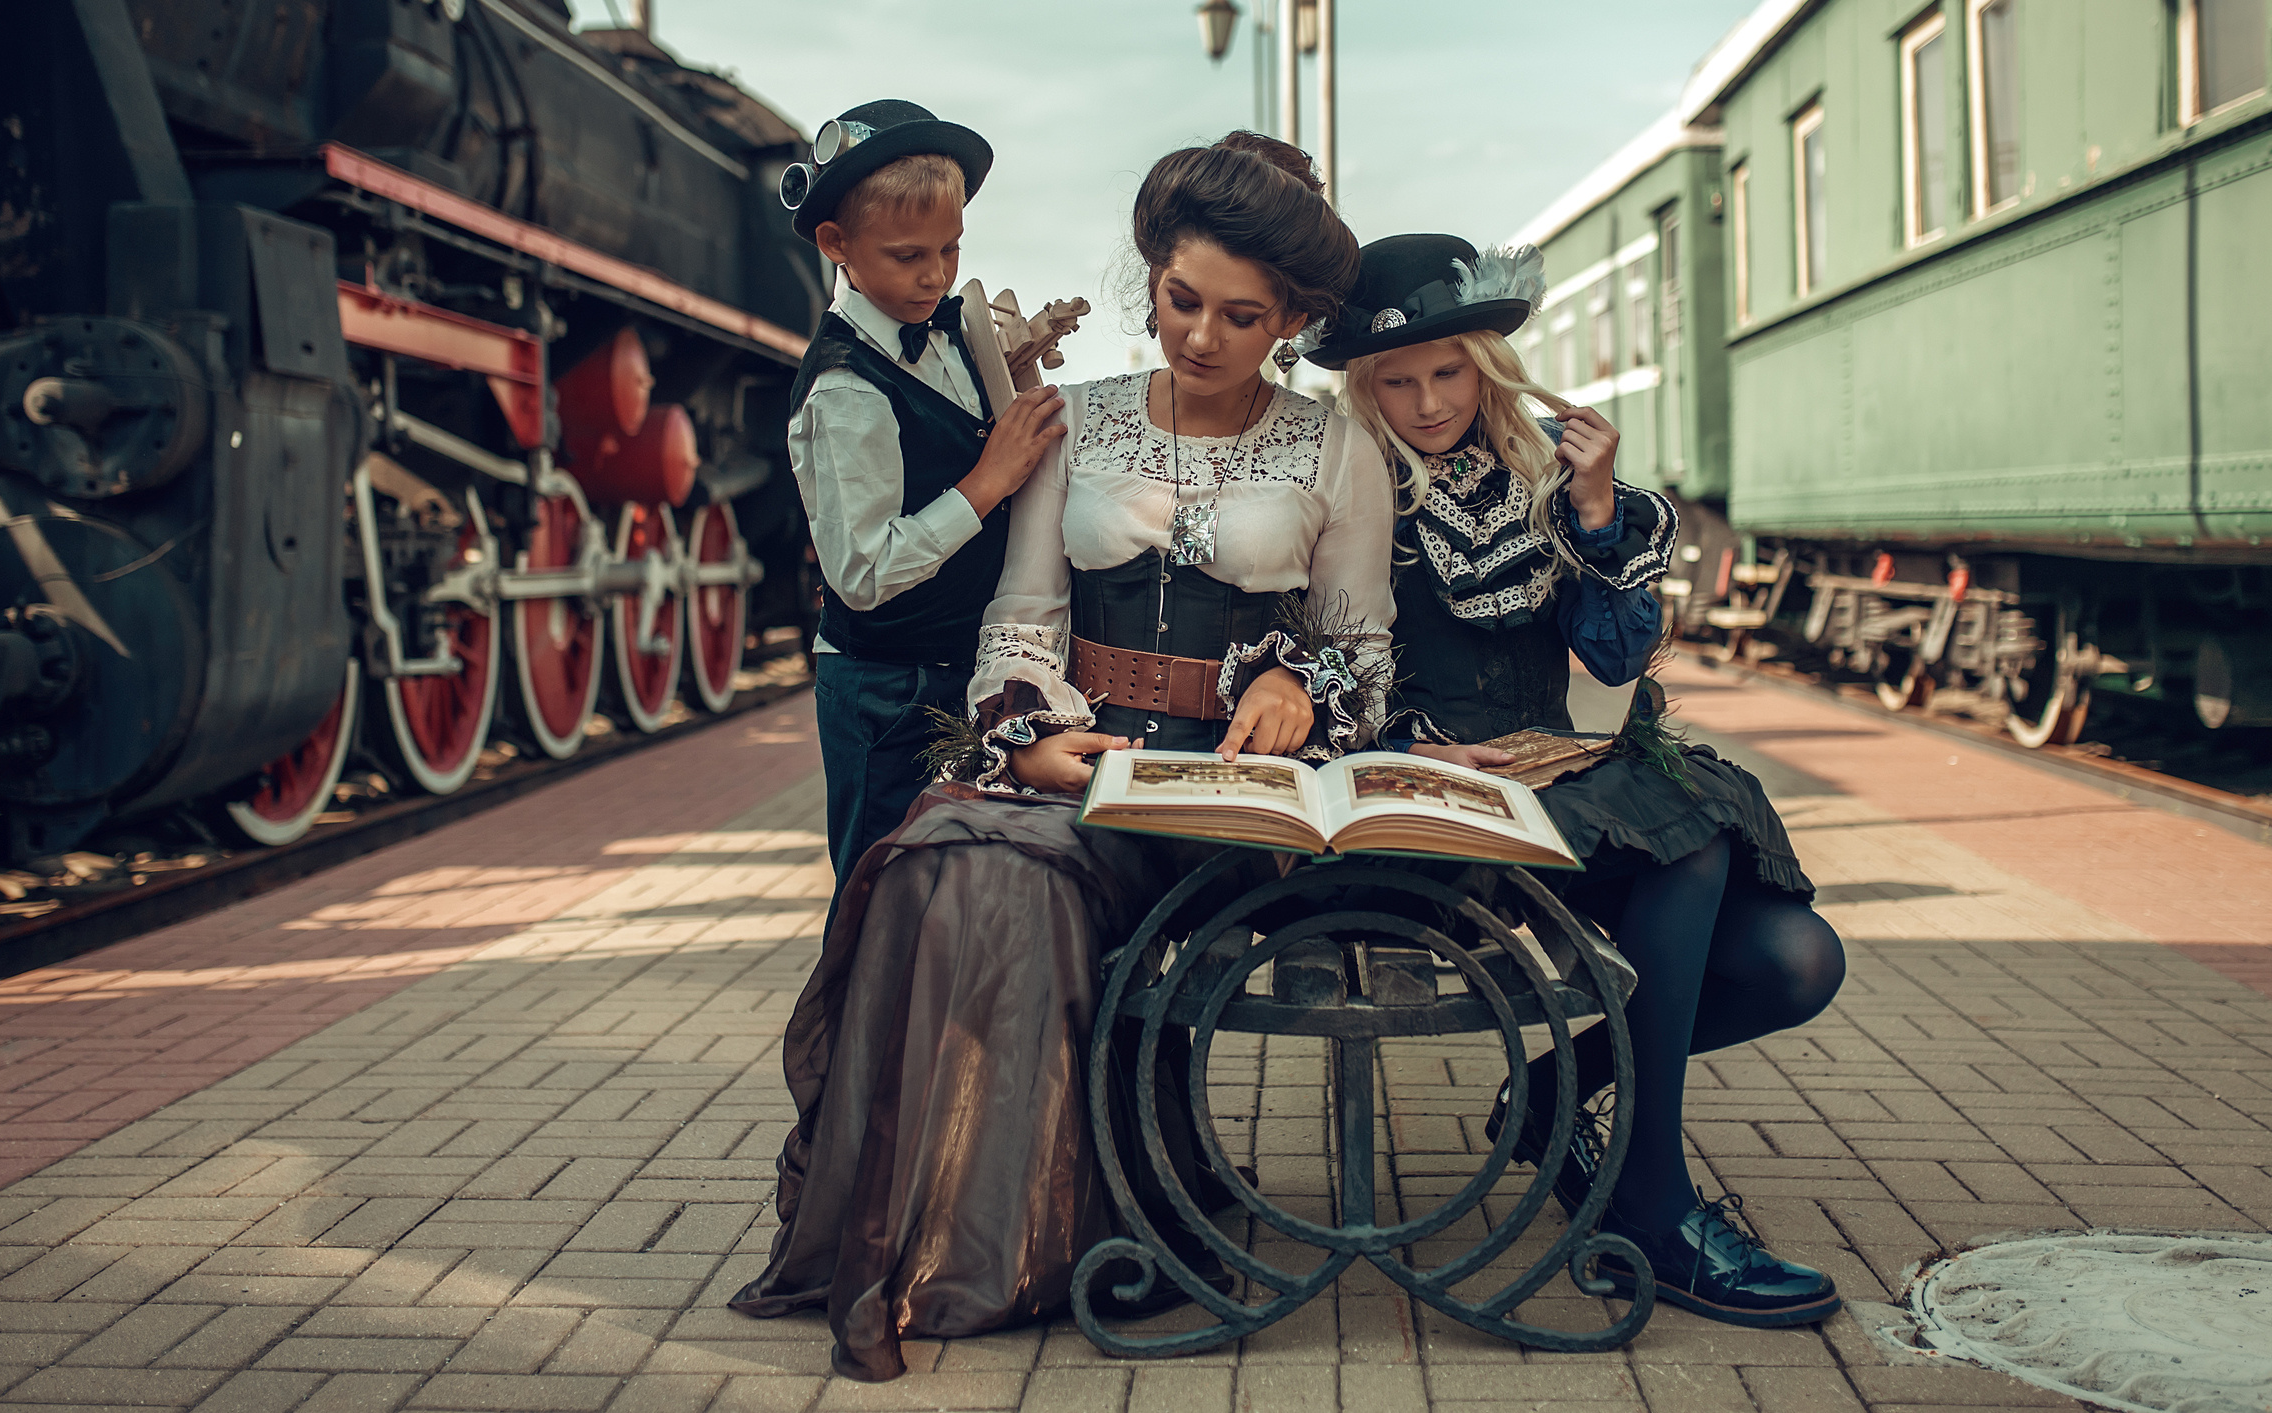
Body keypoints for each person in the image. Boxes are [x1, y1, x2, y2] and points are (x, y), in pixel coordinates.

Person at [735, 133, 1392, 1380]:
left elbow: (1360, 646)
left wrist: (1292, 686)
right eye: (1178, 297)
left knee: (1011, 877)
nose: (1197, 334)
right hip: (1076, 763)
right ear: (1151, 276)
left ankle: (1094, 1220)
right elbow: (1023, 616)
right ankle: (931, 1239)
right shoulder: (1074, 425)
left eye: (1240, 316)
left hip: (1238, 798)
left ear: (1292, 322)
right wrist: (1028, 734)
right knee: (944, 860)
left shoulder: (1333, 448)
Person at [1308, 232, 1848, 1331]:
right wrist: (1405, 741)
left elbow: (1612, 658)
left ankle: (1554, 1092)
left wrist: (1596, 507)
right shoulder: (1346, 478)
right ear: (1365, 384)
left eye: (1446, 373)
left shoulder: (1556, 478)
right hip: (1420, 797)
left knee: (1798, 962)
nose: (1422, 403)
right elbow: (1323, 655)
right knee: (1688, 838)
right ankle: (1654, 1200)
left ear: (1489, 365)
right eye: (1395, 381)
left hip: (1566, 791)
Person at [781, 100, 1069, 888]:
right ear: (835, 245)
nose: (935, 275)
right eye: (908, 255)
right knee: (884, 898)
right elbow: (863, 572)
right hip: (887, 691)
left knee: (960, 901)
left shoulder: (944, 326)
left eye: (950, 249)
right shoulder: (844, 388)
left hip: (963, 668)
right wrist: (985, 484)